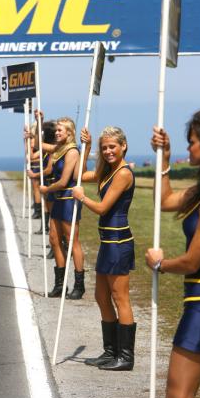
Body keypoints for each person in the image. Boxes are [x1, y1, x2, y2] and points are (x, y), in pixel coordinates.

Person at [145, 109, 200, 398]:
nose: (189, 147)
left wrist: (160, 264)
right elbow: (164, 201)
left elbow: (194, 261)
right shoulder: (199, 192)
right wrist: (165, 159)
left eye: (192, 141)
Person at [72, 126, 136, 371]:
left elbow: (102, 208)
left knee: (121, 298)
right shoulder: (107, 171)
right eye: (104, 147)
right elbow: (81, 174)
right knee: (101, 296)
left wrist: (82, 198)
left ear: (123, 146)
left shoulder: (123, 173)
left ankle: (126, 357)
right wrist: (86, 148)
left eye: (112, 147)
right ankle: (110, 351)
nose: (108, 151)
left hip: (119, 241)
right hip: (106, 241)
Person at [38, 115, 85, 300]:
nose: (56, 133)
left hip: (68, 199)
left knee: (72, 240)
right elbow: (42, 146)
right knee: (54, 239)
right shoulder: (59, 149)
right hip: (58, 199)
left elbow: (64, 180)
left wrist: (46, 188)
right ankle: (60, 285)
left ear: (69, 132)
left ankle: (79, 285)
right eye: (56, 130)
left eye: (60, 130)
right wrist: (35, 129)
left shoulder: (72, 151)